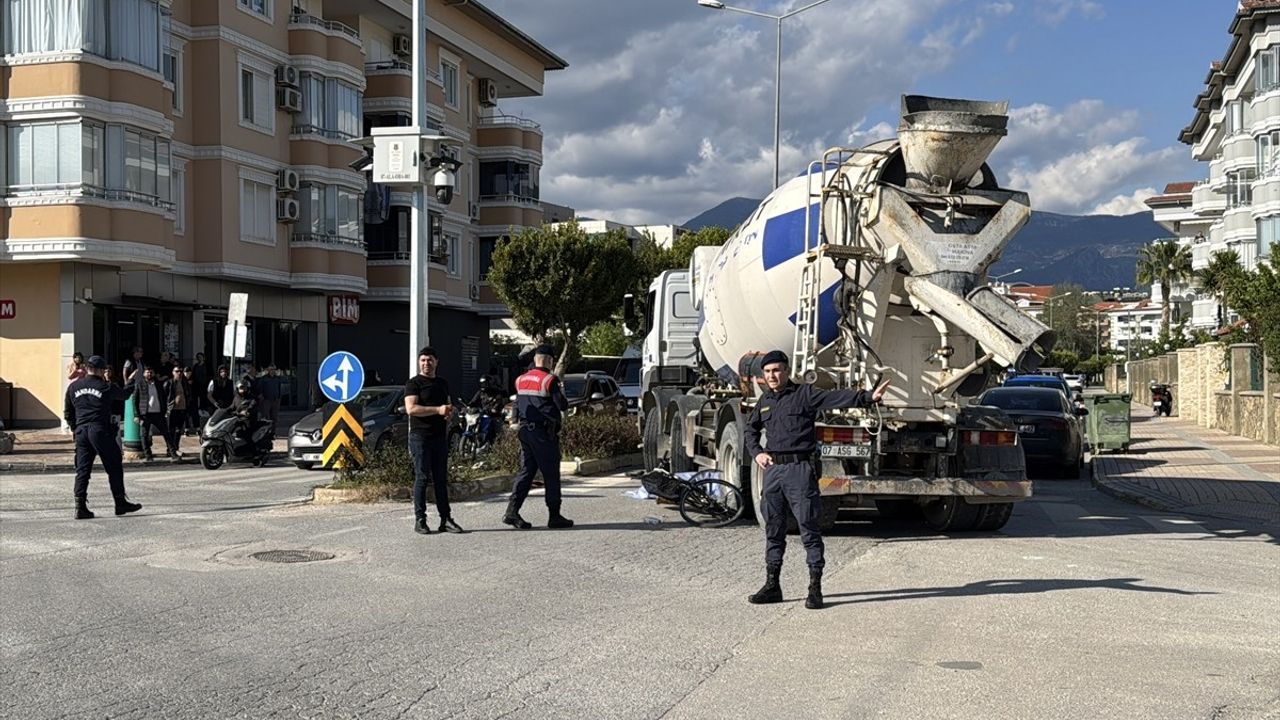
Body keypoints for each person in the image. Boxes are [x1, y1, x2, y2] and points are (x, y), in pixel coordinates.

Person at [743, 349, 891, 610]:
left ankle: (815, 588)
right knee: (773, 528)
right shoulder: (765, 401)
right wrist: (757, 453)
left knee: (808, 529)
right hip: (773, 471)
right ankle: (772, 585)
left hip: (799, 470)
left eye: (776, 370)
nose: (772, 376)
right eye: (767, 372)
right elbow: (750, 429)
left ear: (787, 371)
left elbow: (835, 397)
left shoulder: (804, 394)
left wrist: (868, 397)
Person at [502, 345, 573, 530]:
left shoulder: (521, 379)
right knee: (551, 474)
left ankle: (512, 511)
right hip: (543, 433)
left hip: (525, 432)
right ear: (549, 360)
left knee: (526, 472)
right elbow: (562, 405)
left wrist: (514, 421)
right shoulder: (550, 380)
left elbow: (517, 403)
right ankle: (554, 516)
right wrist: (562, 390)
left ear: (535, 359)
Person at [63, 355, 143, 519]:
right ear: (100, 370)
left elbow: (68, 412)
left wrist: (74, 428)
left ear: (87, 369)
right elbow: (124, 394)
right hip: (99, 430)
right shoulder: (105, 386)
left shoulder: (73, 387)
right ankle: (120, 502)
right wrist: (131, 381)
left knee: (82, 470)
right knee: (114, 465)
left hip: (81, 432)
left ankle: (80, 507)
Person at [403, 346, 465, 535]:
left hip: (439, 437)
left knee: (440, 479)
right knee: (422, 478)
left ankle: (446, 519)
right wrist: (437, 410)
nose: (426, 363)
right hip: (420, 437)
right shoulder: (413, 383)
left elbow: (447, 405)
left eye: (429, 360)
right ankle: (420, 520)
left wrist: (449, 412)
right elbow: (411, 409)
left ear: (436, 362)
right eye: (423, 360)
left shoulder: (442, 383)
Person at [133, 367, 175, 461]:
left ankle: (173, 453)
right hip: (145, 414)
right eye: (147, 372)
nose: (149, 374)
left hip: (158, 414)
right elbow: (135, 400)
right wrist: (136, 415)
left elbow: (163, 397)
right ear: (144, 374)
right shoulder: (139, 384)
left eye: (151, 372)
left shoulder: (158, 384)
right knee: (144, 435)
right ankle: (148, 456)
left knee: (166, 434)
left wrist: (165, 410)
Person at [466, 376, 506, 447]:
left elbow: (499, 401)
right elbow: (474, 401)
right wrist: (469, 405)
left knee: (498, 429)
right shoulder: (480, 392)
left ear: (489, 383)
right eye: (482, 384)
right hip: (483, 413)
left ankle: (499, 446)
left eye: (485, 384)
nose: (483, 386)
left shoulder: (496, 392)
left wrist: (495, 408)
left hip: (494, 415)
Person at [166, 365, 192, 455]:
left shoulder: (185, 383)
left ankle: (176, 448)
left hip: (182, 409)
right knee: (171, 430)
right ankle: (170, 449)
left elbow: (188, 394)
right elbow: (164, 396)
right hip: (172, 409)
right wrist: (167, 407)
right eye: (177, 371)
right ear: (173, 373)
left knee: (178, 430)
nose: (179, 373)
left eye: (181, 371)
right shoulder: (169, 383)